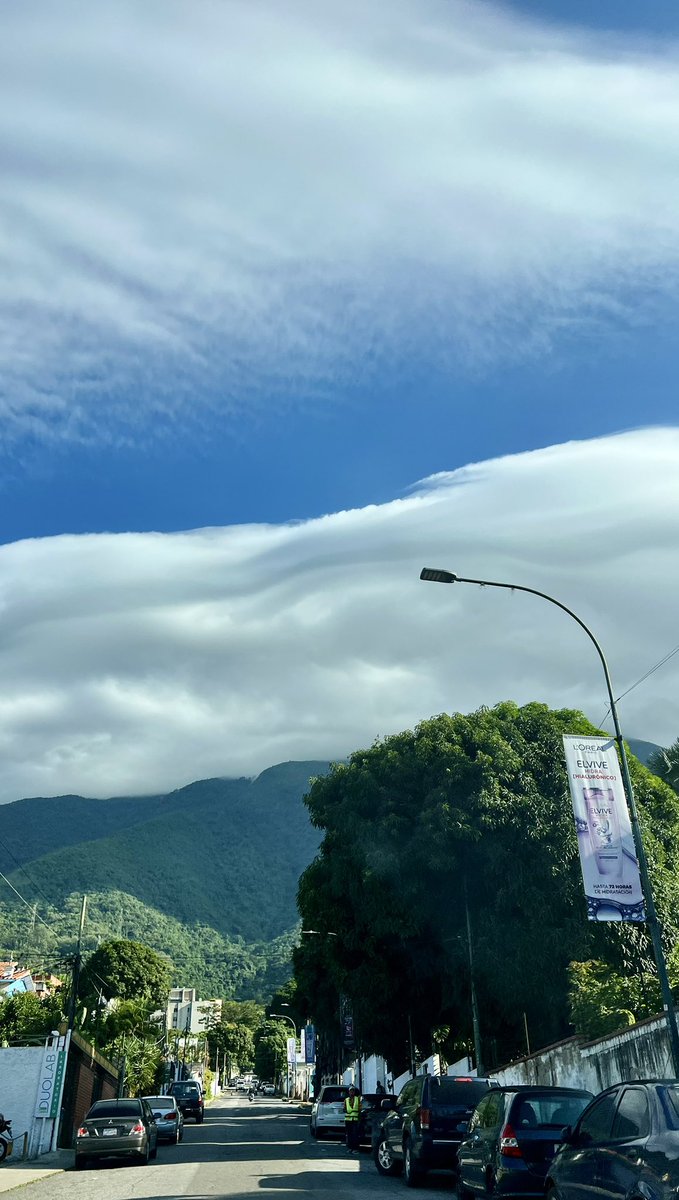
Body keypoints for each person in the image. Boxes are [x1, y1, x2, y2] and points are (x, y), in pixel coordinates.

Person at [344, 1086, 361, 1153]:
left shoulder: (358, 1099)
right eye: (350, 1091)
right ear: (349, 1092)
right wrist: (346, 1111)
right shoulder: (346, 1100)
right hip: (348, 1120)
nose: (352, 1092)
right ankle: (350, 1148)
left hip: (355, 1120)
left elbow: (360, 1109)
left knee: (355, 1134)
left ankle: (355, 1148)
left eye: (353, 1091)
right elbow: (344, 1109)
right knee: (349, 1135)